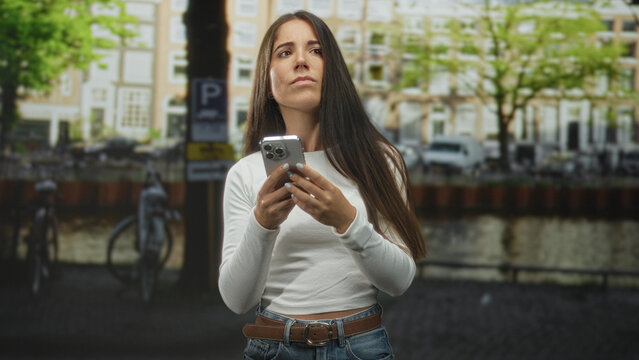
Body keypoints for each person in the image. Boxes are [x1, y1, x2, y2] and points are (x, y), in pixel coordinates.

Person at [219, 10, 426, 359]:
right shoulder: (246, 173)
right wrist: (263, 224)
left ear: (334, 72)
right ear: (267, 82)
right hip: (274, 346)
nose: (301, 60)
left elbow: (399, 280)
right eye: (285, 52)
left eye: (316, 51)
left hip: (361, 346)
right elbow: (237, 299)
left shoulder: (379, 160)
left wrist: (347, 221)